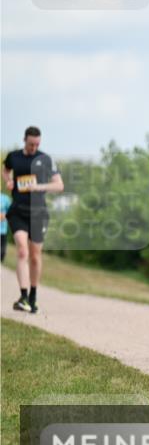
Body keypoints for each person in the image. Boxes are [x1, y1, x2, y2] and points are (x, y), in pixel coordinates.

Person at [3, 126, 63, 313]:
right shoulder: (14, 156)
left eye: (37, 144)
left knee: (35, 257)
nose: (34, 147)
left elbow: (59, 185)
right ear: (24, 140)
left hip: (38, 214)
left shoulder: (46, 159)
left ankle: (33, 296)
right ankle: (22, 296)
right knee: (22, 251)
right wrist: (8, 180)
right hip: (18, 212)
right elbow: (5, 170)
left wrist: (38, 187)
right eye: (31, 144)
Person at [0, 191, 10, 263]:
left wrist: (5, 216)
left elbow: (11, 211)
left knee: (2, 250)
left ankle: (2, 259)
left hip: (2, 228)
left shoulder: (5, 198)